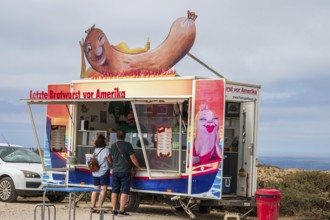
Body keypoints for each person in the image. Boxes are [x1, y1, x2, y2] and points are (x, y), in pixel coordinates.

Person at [109, 130, 142, 216]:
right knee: (124, 191)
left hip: (115, 171)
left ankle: (114, 210)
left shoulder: (113, 145)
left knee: (114, 190)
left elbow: (109, 157)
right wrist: (139, 167)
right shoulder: (128, 145)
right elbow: (133, 157)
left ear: (117, 136)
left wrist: (113, 164)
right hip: (125, 171)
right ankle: (121, 210)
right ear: (125, 136)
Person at [90, 134, 111, 213]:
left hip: (95, 172)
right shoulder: (106, 150)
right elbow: (110, 161)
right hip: (104, 171)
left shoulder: (95, 150)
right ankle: (99, 207)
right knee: (103, 189)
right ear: (104, 141)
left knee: (95, 188)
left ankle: (93, 207)